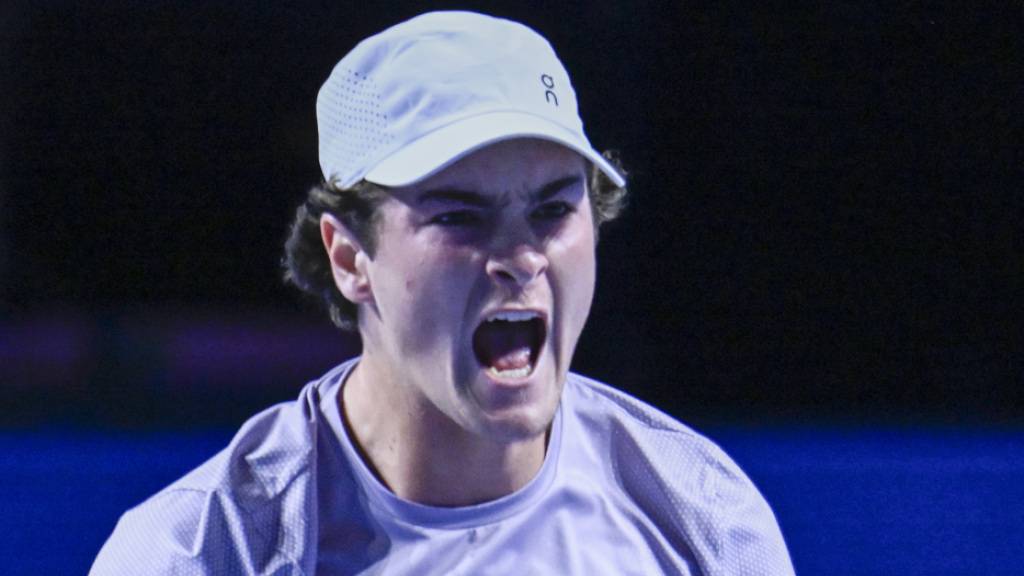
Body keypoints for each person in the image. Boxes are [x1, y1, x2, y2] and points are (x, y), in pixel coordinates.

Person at [91, 11, 794, 575]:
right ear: (348, 257)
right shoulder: (195, 552)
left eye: (553, 210)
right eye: (459, 216)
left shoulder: (704, 521)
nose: (521, 257)